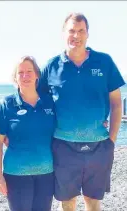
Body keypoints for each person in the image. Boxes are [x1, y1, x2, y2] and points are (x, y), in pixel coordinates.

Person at [38, 13, 126, 211]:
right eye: (71, 30)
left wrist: (111, 140)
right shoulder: (52, 66)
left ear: (87, 35)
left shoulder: (104, 62)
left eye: (80, 31)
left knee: (93, 201)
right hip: (63, 146)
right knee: (67, 202)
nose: (75, 36)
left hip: (99, 146)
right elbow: (39, 106)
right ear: (63, 34)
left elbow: (116, 103)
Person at [0, 56, 56, 211]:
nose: (25, 76)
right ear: (15, 77)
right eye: (21, 73)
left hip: (46, 173)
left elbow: (68, 122)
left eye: (29, 71)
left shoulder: (50, 102)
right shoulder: (6, 105)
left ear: (37, 75)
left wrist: (100, 120)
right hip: (16, 174)